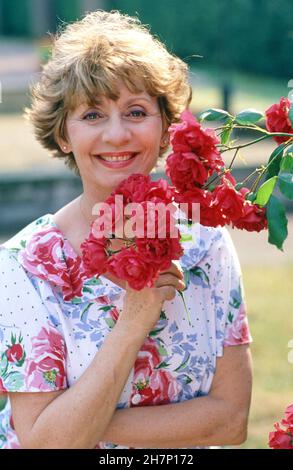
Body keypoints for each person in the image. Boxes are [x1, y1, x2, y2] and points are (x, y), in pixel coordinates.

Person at [0, 10, 252, 449]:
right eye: (93, 115)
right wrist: (137, 315)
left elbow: (230, 421)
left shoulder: (207, 245)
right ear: (63, 135)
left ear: (163, 128)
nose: (116, 135)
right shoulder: (24, 267)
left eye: (136, 112)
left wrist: (77, 424)